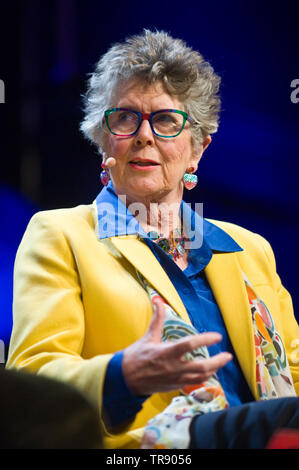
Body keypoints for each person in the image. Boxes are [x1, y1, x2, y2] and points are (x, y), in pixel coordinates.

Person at [6, 30, 299, 449]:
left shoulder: (250, 249)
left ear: (197, 150)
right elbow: (34, 379)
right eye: (125, 117)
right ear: (104, 141)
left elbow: (293, 366)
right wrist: (122, 375)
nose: (144, 135)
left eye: (164, 120)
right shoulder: (61, 234)